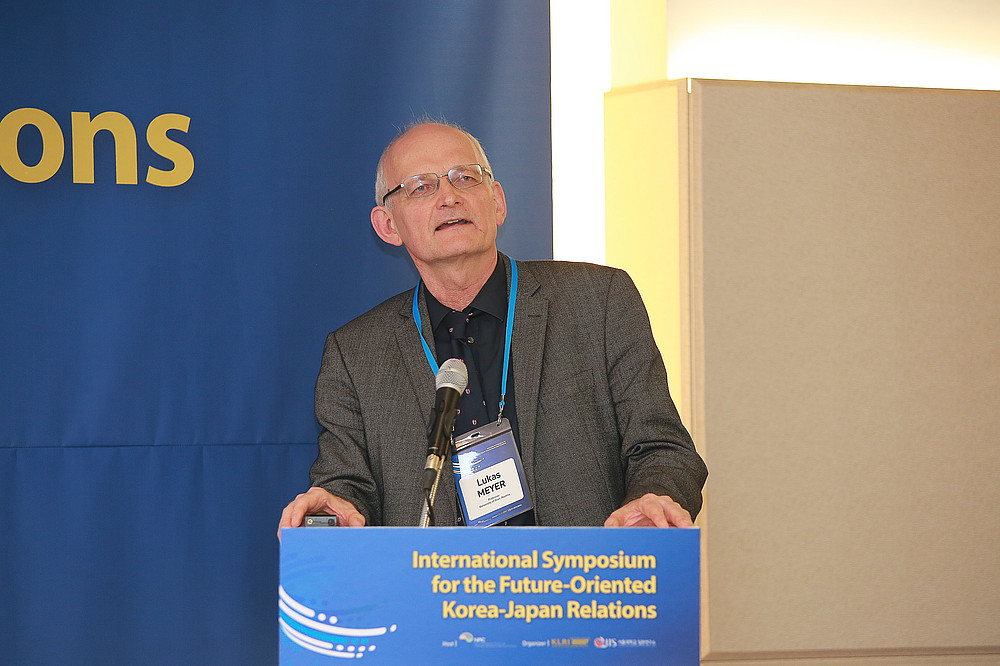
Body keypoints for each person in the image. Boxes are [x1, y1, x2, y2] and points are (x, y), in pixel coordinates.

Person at [278, 121, 706, 533]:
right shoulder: (356, 354)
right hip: (435, 597)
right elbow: (348, 486)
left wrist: (654, 496)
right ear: (388, 226)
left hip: (581, 588)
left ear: (497, 201)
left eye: (465, 178)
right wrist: (332, 506)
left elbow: (661, 449)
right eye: (422, 187)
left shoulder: (598, 300)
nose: (449, 197)